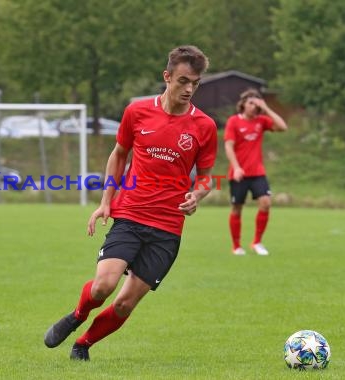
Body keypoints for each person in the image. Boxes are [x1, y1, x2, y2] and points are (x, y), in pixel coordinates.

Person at [43, 45, 218, 361]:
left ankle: (83, 344)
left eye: (195, 82)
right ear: (167, 77)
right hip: (131, 214)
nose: (189, 88)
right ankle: (77, 315)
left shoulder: (204, 126)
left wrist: (198, 195)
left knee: (124, 304)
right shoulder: (137, 112)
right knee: (102, 288)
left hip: (167, 229)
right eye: (183, 80)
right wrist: (105, 201)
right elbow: (119, 154)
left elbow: (205, 176)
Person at [224, 88, 288, 256]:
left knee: (266, 203)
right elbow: (228, 146)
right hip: (239, 173)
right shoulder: (233, 121)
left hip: (258, 172)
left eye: (257, 103)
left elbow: (283, 127)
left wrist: (266, 108)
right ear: (243, 104)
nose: (254, 106)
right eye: (251, 102)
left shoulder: (261, 121)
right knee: (237, 208)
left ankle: (257, 242)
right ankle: (236, 246)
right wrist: (237, 167)